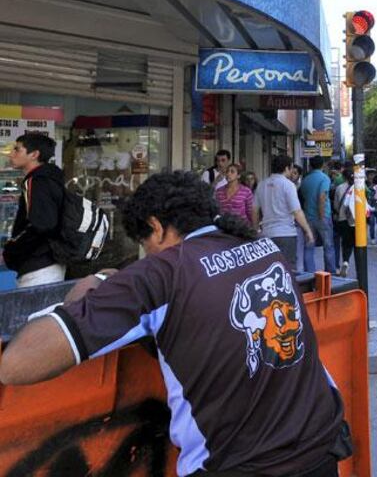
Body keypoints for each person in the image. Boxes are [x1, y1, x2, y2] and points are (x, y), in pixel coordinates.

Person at [0, 171, 349, 476]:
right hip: (320, 449)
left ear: (155, 226)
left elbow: (15, 366)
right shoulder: (267, 251)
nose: (148, 254)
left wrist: (92, 289)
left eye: (145, 244)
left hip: (237, 466)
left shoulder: (161, 273)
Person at [2, 133, 66, 288]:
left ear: (34, 154)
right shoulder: (49, 178)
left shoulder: (37, 181)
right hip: (48, 262)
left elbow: (41, 225)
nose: (12, 154)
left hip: (39, 266)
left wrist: (10, 250)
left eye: (17, 150)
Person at [253, 155, 314, 268]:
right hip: (286, 234)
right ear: (286, 168)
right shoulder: (288, 185)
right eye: (291, 168)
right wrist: (308, 230)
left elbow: (255, 210)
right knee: (288, 269)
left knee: (269, 269)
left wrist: (256, 230)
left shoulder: (261, 185)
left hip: (266, 234)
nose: (291, 171)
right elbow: (297, 211)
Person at [299, 156, 336, 275]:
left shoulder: (305, 180)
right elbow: (322, 197)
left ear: (310, 166)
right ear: (323, 165)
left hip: (308, 217)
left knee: (309, 246)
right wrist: (321, 215)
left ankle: (309, 273)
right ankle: (331, 273)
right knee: (328, 246)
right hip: (322, 216)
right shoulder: (324, 178)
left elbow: (303, 197)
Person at [332, 169, 356, 276]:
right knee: (356, 243)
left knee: (345, 243)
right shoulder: (359, 188)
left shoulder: (339, 188)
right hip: (355, 220)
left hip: (342, 219)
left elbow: (336, 206)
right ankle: (358, 265)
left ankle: (345, 261)